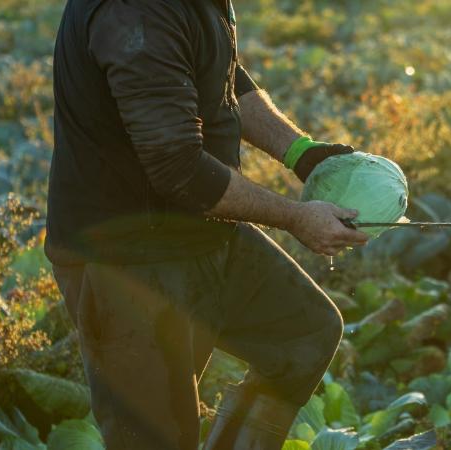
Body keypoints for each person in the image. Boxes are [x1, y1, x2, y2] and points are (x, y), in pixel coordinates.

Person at [45, 0, 369, 448]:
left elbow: (224, 79)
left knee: (304, 336)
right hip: (126, 259)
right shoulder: (136, 13)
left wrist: (301, 154)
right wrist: (295, 217)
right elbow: (176, 166)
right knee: (155, 437)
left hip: (202, 229)